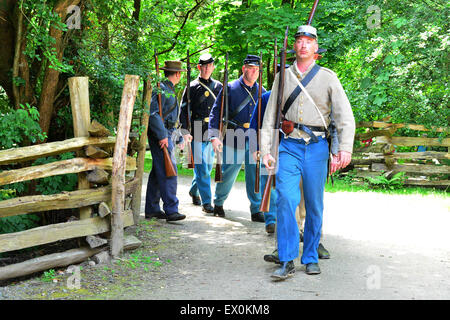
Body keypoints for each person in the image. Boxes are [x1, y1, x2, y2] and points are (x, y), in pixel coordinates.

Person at [260, 25, 355, 280]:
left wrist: (344, 148)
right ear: (295, 46)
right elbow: (270, 117)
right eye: (299, 40)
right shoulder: (282, 76)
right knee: (286, 200)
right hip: (289, 145)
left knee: (314, 205)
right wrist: (266, 150)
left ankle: (311, 255)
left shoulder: (328, 77)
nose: (303, 45)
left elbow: (344, 117)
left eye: (308, 41)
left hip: (317, 148)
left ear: (316, 48)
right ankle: (287, 257)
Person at [208, 54, 266, 222]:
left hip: (254, 138)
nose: (254, 72)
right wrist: (214, 136)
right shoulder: (230, 88)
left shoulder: (261, 91)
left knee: (254, 175)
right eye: (251, 68)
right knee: (227, 173)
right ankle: (218, 203)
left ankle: (256, 209)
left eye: (256, 69)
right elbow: (216, 113)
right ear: (244, 69)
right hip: (234, 136)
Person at [145, 60, 192, 222]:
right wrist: (162, 135)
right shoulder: (162, 90)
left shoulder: (167, 90)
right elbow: (154, 114)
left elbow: (171, 119)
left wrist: (177, 136)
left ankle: (152, 208)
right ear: (177, 74)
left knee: (158, 172)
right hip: (162, 135)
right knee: (168, 171)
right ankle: (171, 210)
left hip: (166, 133)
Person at [180, 53, 223, 214]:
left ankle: (193, 190)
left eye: (209, 65)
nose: (206, 68)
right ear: (199, 67)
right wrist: (185, 131)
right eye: (203, 66)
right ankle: (207, 202)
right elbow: (183, 111)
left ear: (213, 67)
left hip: (212, 131)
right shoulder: (191, 87)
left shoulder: (219, 87)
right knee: (202, 169)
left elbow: (221, 111)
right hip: (196, 130)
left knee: (206, 168)